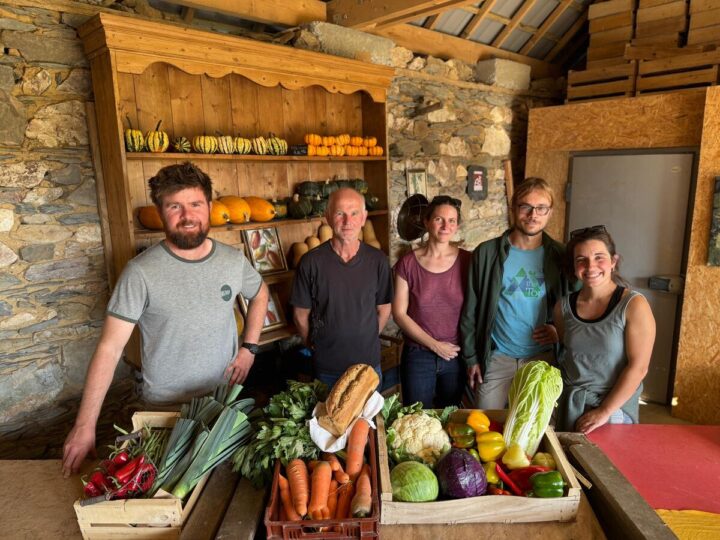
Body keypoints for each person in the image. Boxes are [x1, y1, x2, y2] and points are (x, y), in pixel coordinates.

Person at [62, 162, 269, 476]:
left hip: (223, 403)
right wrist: (84, 425)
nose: (187, 216)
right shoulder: (140, 273)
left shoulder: (232, 260)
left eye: (195, 204)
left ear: (210, 207)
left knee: (220, 492)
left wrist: (249, 349)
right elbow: (109, 349)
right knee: (170, 498)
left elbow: (260, 294)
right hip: (165, 411)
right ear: (160, 213)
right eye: (175, 206)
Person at [460, 177, 572, 409]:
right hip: (498, 357)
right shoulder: (487, 253)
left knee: (536, 430)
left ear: (549, 212)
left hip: (542, 359)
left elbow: (578, 304)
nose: (533, 215)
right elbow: (471, 309)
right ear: (513, 208)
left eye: (541, 208)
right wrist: (472, 358)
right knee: (485, 424)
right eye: (526, 207)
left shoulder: (561, 256)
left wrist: (559, 330)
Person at [555, 225, 655, 434]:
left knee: (603, 464)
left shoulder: (633, 305)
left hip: (613, 406)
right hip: (572, 403)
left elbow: (639, 368)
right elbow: (571, 350)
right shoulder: (563, 306)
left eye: (599, 257)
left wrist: (604, 411)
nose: (590, 266)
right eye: (581, 260)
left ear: (613, 261)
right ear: (574, 267)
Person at [291, 188, 393, 388]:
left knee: (369, 420)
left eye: (354, 213)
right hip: (327, 368)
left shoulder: (378, 260)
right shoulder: (310, 262)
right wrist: (313, 343)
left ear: (363, 218)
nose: (348, 221)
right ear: (328, 217)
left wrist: (366, 337)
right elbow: (300, 315)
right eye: (340, 214)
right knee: (328, 419)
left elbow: (384, 309)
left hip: (368, 367)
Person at [392, 195, 471, 408]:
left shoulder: (468, 261)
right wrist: (435, 346)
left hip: (455, 354)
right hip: (419, 356)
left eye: (452, 221)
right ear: (427, 222)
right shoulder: (407, 263)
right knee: (417, 418)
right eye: (439, 219)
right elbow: (399, 313)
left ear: (457, 225)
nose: (446, 226)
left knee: (451, 421)